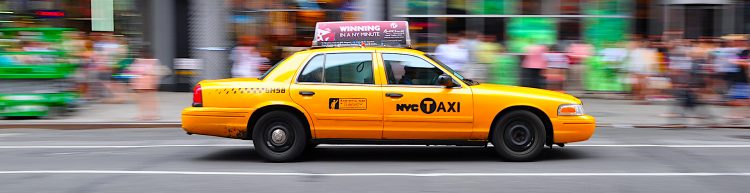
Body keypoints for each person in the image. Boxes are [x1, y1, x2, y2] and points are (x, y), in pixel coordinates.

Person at [128, 48, 163, 120]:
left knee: (142, 99)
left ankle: (144, 115)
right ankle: (153, 114)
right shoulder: (155, 61)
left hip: (142, 81)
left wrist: (132, 83)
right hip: (149, 81)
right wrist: (156, 82)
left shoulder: (138, 61)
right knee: (150, 99)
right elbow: (157, 73)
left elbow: (133, 72)